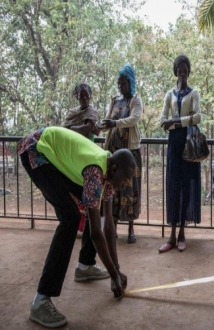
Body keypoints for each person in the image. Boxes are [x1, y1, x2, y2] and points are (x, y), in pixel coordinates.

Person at [18, 126, 133, 328]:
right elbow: (97, 234)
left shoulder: (107, 176)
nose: (126, 184)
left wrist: (116, 269)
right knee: (70, 217)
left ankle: (85, 265)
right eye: (125, 179)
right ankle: (41, 300)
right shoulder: (95, 173)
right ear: (114, 170)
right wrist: (114, 276)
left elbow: (108, 227)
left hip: (51, 153)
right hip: (36, 150)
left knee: (93, 209)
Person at [62, 83, 110, 282]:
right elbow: (67, 128)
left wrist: (74, 128)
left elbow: (85, 129)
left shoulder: (92, 112)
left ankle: (86, 262)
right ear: (76, 97)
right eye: (81, 95)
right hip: (72, 161)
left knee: (92, 210)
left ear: (90, 96)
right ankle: (85, 264)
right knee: (83, 211)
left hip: (86, 161)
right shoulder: (73, 112)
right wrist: (77, 128)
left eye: (87, 95)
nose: (84, 98)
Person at [159, 55, 202, 253]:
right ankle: (172, 235)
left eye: (185, 70)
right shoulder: (169, 94)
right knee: (173, 187)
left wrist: (176, 122)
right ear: (175, 72)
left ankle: (183, 233)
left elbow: (198, 117)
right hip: (173, 144)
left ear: (188, 72)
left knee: (186, 186)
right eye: (179, 70)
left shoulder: (194, 93)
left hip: (188, 144)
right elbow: (162, 120)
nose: (182, 73)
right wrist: (173, 122)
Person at [101, 64, 143, 244]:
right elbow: (108, 119)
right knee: (113, 189)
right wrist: (101, 125)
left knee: (130, 189)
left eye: (123, 83)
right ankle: (113, 225)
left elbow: (134, 119)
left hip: (130, 153)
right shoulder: (115, 100)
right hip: (113, 151)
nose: (120, 86)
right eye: (119, 83)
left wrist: (114, 124)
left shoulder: (135, 100)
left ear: (130, 82)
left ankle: (131, 228)